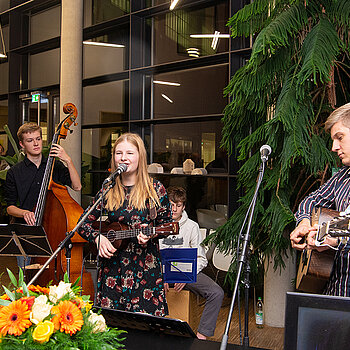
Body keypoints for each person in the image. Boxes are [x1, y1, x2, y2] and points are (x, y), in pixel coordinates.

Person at [77, 132, 172, 316]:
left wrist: (151, 234)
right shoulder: (108, 189)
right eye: (119, 153)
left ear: (140, 157)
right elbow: (82, 223)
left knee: (145, 331)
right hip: (112, 271)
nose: (123, 158)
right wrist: (97, 238)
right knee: (113, 328)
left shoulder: (155, 189)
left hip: (145, 271)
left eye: (130, 153)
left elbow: (166, 225)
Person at [290, 102, 350, 296]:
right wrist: (304, 224)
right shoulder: (342, 177)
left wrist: (330, 237)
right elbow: (312, 200)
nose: (334, 147)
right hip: (335, 291)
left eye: (339, 137)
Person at [4, 122, 82, 266]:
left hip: (54, 230)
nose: (35, 143)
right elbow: (10, 207)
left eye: (38, 139)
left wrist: (68, 160)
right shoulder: (14, 172)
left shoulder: (55, 166)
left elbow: (77, 186)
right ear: (22, 144)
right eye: (30, 140)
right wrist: (24, 213)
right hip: (27, 234)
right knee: (27, 279)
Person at [159, 186, 224, 339]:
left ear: (183, 206)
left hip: (186, 274)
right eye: (171, 205)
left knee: (216, 293)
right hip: (161, 273)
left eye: (178, 205)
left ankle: (201, 337)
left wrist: (186, 276)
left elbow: (201, 258)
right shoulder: (158, 224)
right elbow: (152, 256)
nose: (174, 209)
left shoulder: (192, 226)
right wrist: (161, 276)